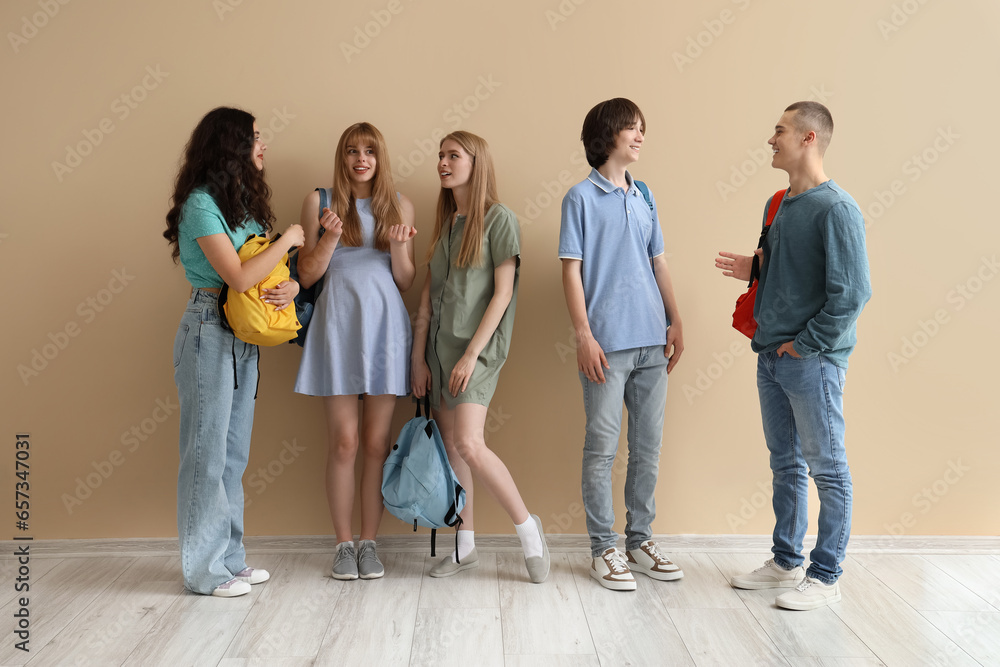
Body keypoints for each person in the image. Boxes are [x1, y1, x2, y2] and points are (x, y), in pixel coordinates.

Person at [715, 101, 872, 610]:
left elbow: (851, 294)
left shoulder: (837, 208)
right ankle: (786, 562)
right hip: (770, 355)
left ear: (809, 138)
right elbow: (790, 267)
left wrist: (803, 347)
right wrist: (753, 268)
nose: (771, 139)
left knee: (826, 467)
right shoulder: (779, 202)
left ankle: (826, 575)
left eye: (779, 130)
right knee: (785, 463)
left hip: (813, 361)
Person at [164, 107, 304, 597]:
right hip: (207, 330)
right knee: (205, 455)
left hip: (241, 336)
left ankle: (229, 561)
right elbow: (240, 277)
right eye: (256, 138)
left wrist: (288, 289)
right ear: (232, 147)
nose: (263, 146)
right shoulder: (202, 205)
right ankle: (204, 573)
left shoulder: (238, 204)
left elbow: (259, 277)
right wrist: (288, 241)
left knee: (231, 456)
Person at [411, 130, 549, 583]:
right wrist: (419, 359)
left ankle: (529, 530)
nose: (443, 163)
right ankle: (464, 546)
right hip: (438, 353)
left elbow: (503, 294)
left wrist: (471, 354)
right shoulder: (447, 224)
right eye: (440, 156)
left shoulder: (499, 219)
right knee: (454, 451)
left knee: (470, 443)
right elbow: (428, 303)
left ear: (476, 162)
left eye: (453, 155)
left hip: (478, 353)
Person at [559, 97, 684, 592]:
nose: (639, 136)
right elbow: (571, 270)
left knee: (648, 448)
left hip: (653, 340)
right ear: (606, 134)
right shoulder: (580, 198)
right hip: (606, 345)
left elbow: (659, 263)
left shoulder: (645, 194)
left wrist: (675, 320)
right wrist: (584, 335)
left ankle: (639, 540)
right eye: (631, 128)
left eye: (641, 129)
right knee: (602, 448)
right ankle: (602, 549)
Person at [294, 122, 417, 581]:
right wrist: (327, 237)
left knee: (376, 444)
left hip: (385, 327)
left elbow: (404, 281)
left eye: (369, 151)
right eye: (351, 151)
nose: (360, 158)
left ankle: (370, 542)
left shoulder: (399, 205)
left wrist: (401, 247)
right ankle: (343, 544)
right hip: (337, 326)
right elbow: (306, 276)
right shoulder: (318, 200)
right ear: (342, 157)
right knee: (344, 442)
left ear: (380, 158)